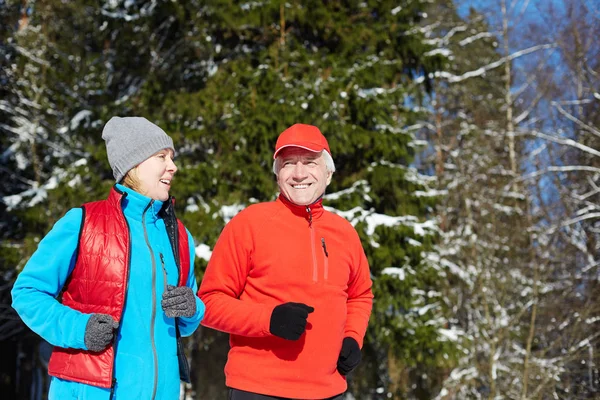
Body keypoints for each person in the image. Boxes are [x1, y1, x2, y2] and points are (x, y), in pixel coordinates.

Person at [11, 116, 205, 399]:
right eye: (162, 156)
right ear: (133, 164)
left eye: (172, 157)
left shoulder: (178, 235)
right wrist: (79, 328)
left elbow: (188, 322)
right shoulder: (83, 223)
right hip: (92, 390)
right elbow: (27, 292)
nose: (173, 167)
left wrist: (192, 308)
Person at [198, 123, 373, 399]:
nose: (299, 173)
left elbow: (360, 295)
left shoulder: (345, 233)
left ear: (328, 173)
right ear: (278, 173)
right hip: (259, 389)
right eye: (289, 163)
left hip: (330, 391)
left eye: (310, 162)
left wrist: (352, 337)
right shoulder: (249, 224)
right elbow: (208, 303)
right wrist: (268, 319)